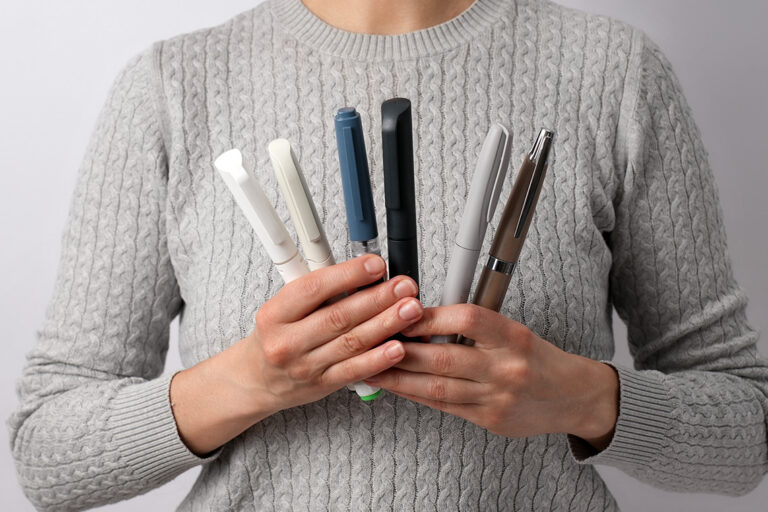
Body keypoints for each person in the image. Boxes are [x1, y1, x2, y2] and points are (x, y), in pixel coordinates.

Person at [8, 0, 768, 510]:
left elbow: (746, 436)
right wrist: (252, 381)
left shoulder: (614, 74)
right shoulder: (173, 89)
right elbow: (46, 450)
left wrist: (582, 398)